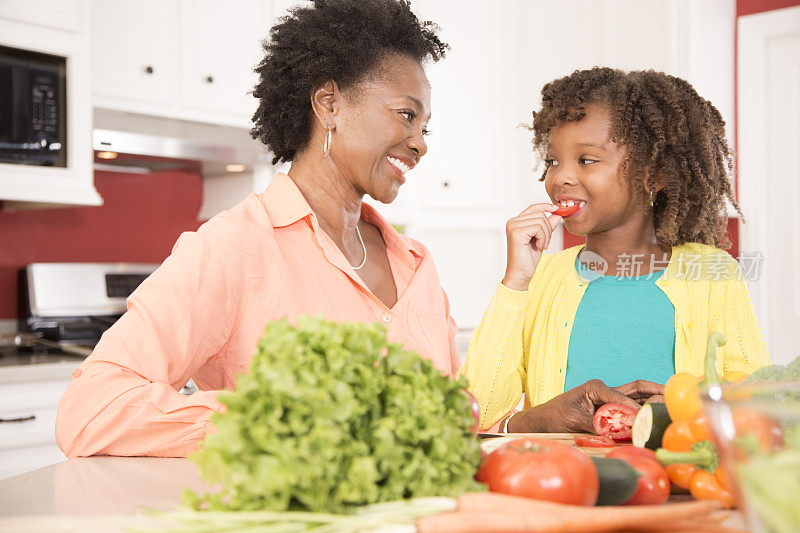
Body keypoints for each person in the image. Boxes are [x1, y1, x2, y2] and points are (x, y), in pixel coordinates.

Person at [55, 3, 657, 458]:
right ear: (329, 104)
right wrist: (294, 421)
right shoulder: (234, 246)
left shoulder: (415, 264)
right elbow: (91, 409)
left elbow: (446, 433)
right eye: (406, 115)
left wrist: (544, 419)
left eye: (427, 126)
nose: (421, 143)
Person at [462, 67, 771, 434]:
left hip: (676, 489)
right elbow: (472, 416)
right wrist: (515, 282)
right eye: (552, 161)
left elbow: (760, 406)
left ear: (652, 174)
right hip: (560, 485)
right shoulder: (541, 277)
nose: (560, 178)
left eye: (587, 160)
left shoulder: (712, 272)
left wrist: (688, 409)